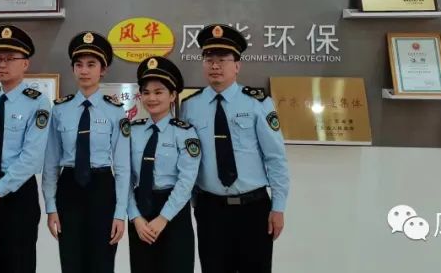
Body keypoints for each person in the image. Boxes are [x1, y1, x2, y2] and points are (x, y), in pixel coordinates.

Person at [180, 24, 290, 273]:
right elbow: (188, 158)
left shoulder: (258, 103)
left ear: (237, 65)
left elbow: (275, 158)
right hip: (210, 211)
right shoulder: (190, 106)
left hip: (253, 209)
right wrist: (195, 200)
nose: (215, 65)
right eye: (209, 59)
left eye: (222, 59)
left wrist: (278, 207)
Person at [42, 32, 129, 273]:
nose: (84, 70)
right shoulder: (60, 110)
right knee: (71, 262)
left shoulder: (115, 111)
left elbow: (123, 167)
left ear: (103, 70)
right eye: (79, 64)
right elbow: (51, 163)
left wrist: (120, 213)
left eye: (91, 64)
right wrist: (51, 207)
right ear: (73, 69)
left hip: (102, 189)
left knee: (102, 263)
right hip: (69, 189)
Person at [0, 25, 51, 273]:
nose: (2, 65)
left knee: (18, 265)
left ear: (25, 64)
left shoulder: (38, 102)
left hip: (17, 195)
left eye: (9, 59)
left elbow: (32, 158)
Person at [127, 56, 200, 273]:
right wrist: (135, 217)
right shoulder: (132, 131)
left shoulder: (185, 132)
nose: (152, 98)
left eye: (159, 92)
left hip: (173, 212)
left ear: (173, 95)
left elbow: (187, 180)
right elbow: (124, 178)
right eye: (146, 92)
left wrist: (163, 218)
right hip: (140, 210)